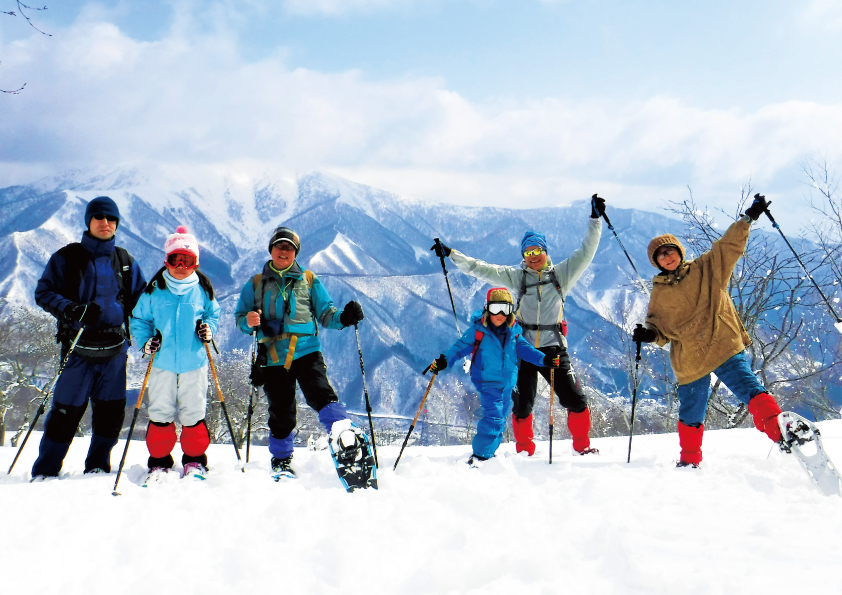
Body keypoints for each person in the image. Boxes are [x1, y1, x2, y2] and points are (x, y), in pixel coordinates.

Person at [432, 196, 605, 456]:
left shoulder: (561, 275)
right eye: (528, 252)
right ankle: (525, 451)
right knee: (522, 404)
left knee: (574, 400)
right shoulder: (517, 277)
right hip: (521, 349)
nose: (533, 256)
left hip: (553, 350)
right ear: (523, 255)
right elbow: (483, 269)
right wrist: (453, 255)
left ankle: (582, 447)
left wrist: (595, 220)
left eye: (537, 251)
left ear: (545, 252)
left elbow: (586, 251)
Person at [632, 194, 784, 468]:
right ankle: (689, 461)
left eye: (670, 250)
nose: (667, 256)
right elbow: (660, 330)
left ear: (679, 251)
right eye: (661, 254)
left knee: (751, 390)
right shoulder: (659, 293)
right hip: (689, 358)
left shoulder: (706, 268)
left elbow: (728, 246)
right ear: (656, 262)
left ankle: (782, 432)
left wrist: (748, 217)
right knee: (691, 411)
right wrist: (648, 334)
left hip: (721, 343)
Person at [234, 226, 367, 478]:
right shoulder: (255, 284)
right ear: (271, 250)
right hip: (273, 356)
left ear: (296, 253)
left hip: (307, 351)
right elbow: (240, 319)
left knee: (322, 393)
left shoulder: (308, 280)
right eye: (280, 246)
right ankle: (282, 460)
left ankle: (344, 433)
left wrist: (345, 318)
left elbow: (327, 314)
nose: (284, 251)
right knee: (281, 411)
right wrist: (247, 321)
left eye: (289, 248)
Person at [31, 196, 146, 480]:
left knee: (110, 412)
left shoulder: (125, 260)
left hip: (115, 349)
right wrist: (73, 309)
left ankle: (98, 466)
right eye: (99, 217)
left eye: (110, 219)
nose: (105, 223)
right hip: (77, 347)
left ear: (117, 223)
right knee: (65, 411)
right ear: (88, 221)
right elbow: (43, 293)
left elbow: (142, 301)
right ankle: (46, 469)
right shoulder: (66, 258)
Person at [428, 288, 559, 464]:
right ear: (487, 309)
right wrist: (445, 360)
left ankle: (488, 454)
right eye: (495, 308)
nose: (499, 314)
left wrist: (545, 360)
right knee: (494, 418)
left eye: (505, 309)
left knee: (501, 418)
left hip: (507, 384)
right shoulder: (479, 331)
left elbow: (527, 351)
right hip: (487, 382)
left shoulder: (513, 332)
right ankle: (481, 455)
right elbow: (459, 347)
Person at [131, 226, 221, 480]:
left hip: (194, 361)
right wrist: (146, 342)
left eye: (187, 260)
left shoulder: (203, 290)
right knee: (160, 412)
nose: (181, 265)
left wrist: (209, 330)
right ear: (166, 261)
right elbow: (139, 320)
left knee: (193, 412)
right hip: (162, 362)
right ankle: (159, 461)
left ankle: (194, 461)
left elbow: (213, 314)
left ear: (196, 263)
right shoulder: (154, 291)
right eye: (175, 259)